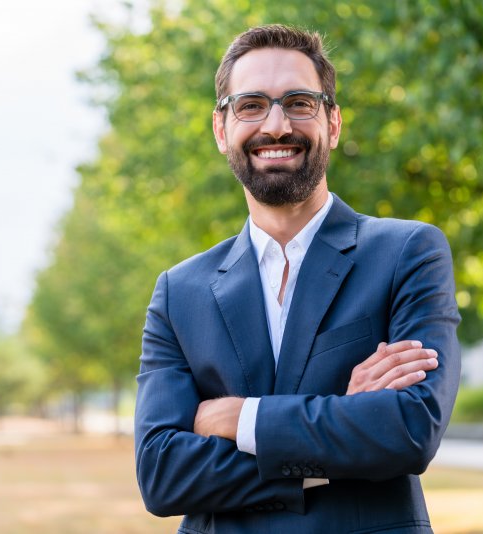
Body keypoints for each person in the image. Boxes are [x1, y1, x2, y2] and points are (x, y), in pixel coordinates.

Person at [134, 24, 460, 534]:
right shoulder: (180, 291)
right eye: (251, 105)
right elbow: (162, 474)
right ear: (221, 130)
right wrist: (337, 430)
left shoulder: (407, 252)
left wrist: (237, 419)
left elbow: (409, 430)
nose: (277, 125)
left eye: (300, 103)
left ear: (333, 123)